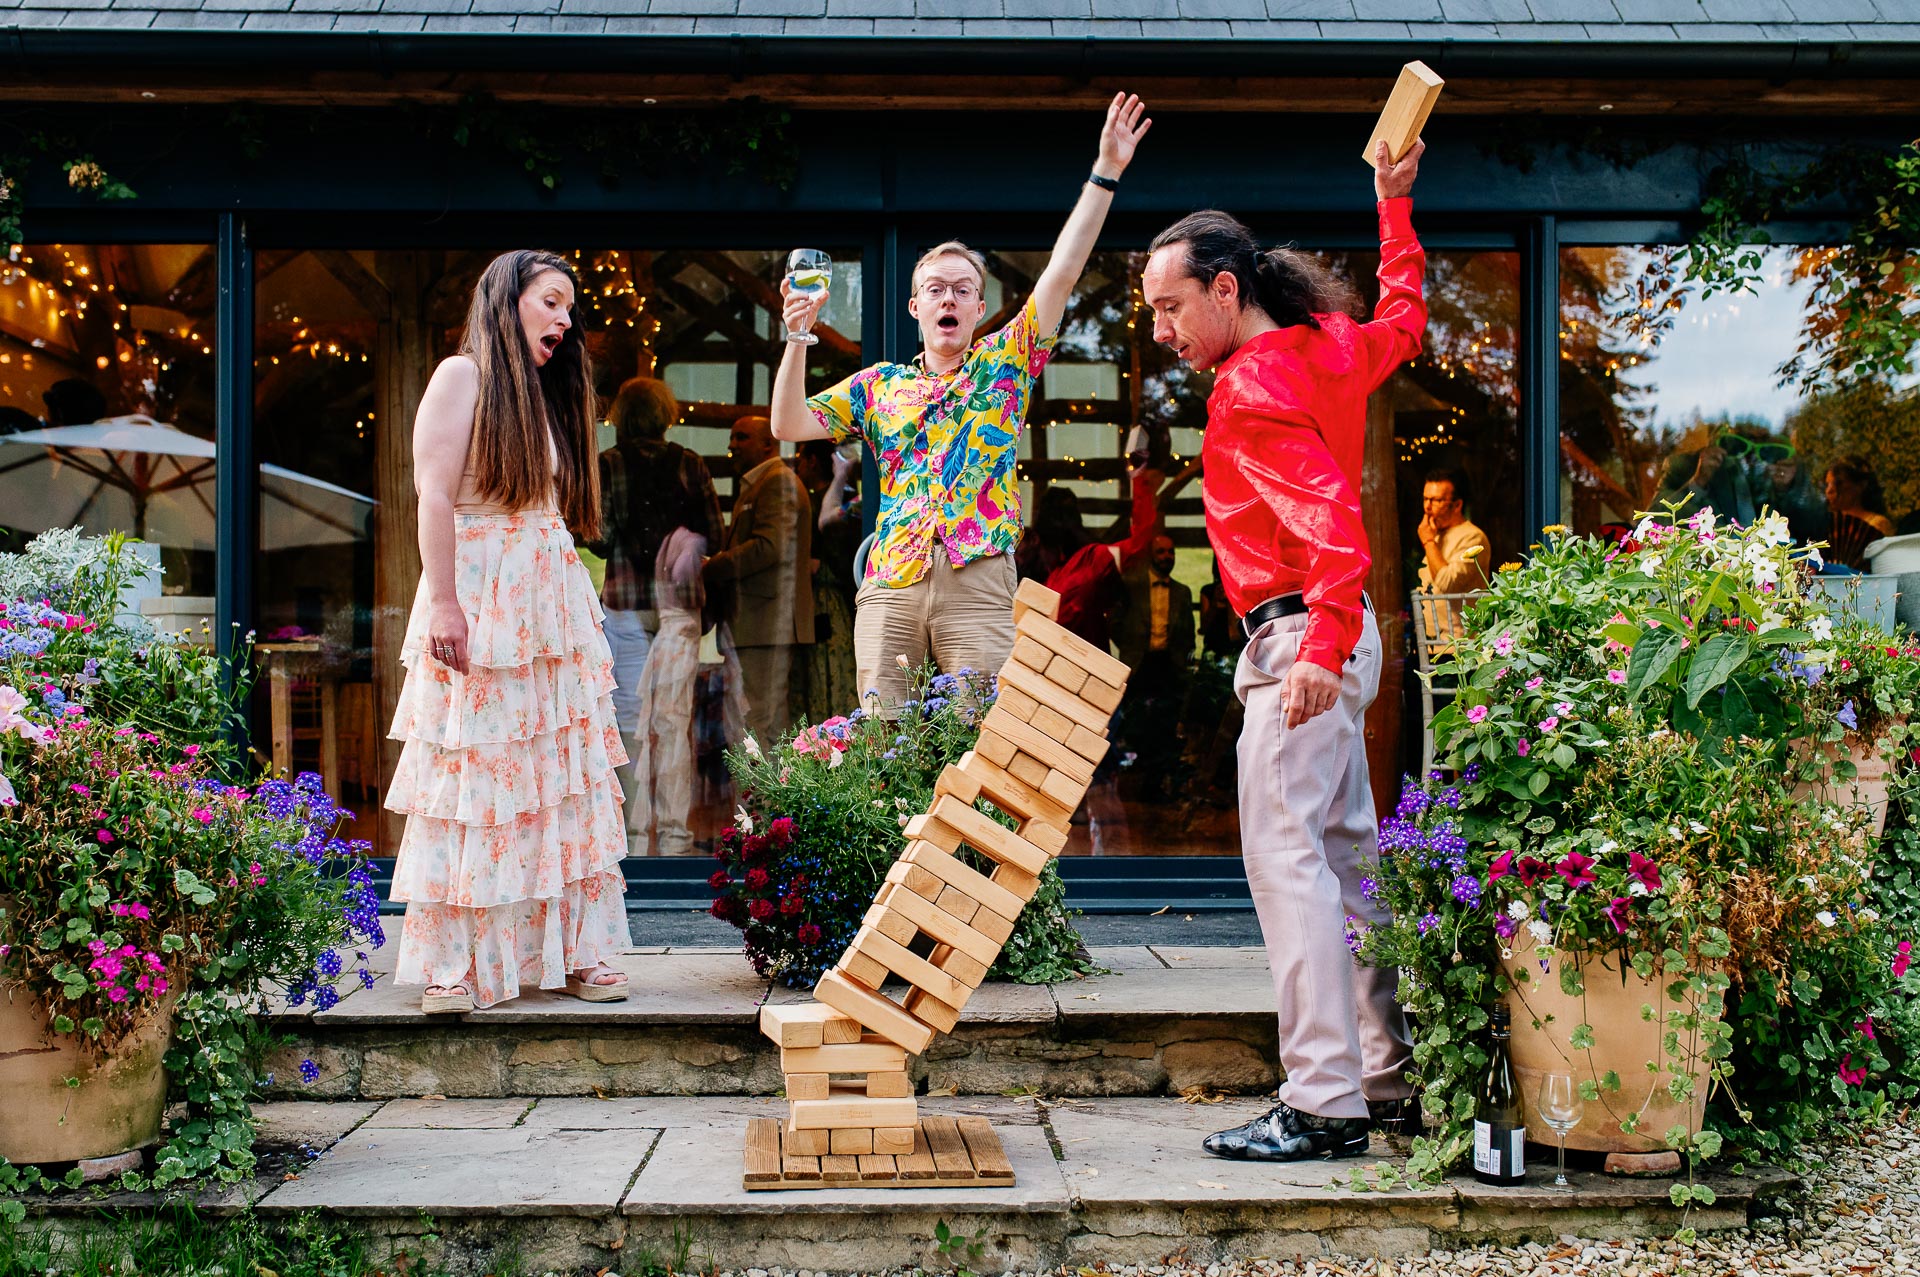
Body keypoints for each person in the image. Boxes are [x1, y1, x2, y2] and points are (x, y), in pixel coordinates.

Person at [1143, 137, 1427, 1161]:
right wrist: (1393, 203)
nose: (1161, 330)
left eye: (1171, 307)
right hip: (1340, 637)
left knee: (1287, 864)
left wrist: (1320, 647)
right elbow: (1406, 319)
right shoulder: (1330, 346)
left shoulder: (1250, 384)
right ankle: (1382, 1076)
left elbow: (1335, 525)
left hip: (1304, 639)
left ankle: (1321, 1099)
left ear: (1225, 289)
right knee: (1347, 863)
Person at [768, 93, 1153, 711]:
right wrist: (797, 337)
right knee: (883, 738)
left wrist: (1105, 172)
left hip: (978, 578)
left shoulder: (1006, 363)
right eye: (935, 289)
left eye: (962, 289)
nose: (948, 297)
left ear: (978, 306)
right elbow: (787, 422)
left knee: (978, 734)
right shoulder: (878, 386)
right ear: (915, 306)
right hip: (892, 581)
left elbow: (1062, 271)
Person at [387, 249, 630, 1013]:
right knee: (476, 779)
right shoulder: (461, 376)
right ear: (507, 299)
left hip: (548, 604)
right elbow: (433, 495)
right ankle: (453, 965)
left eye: (570, 307)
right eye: (551, 300)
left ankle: (576, 951)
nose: (565, 318)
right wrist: (445, 603)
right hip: (483, 593)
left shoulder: (541, 391)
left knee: (555, 778)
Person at [586, 376, 724, 852]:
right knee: (673, 723)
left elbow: (599, 538)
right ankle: (674, 838)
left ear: (621, 416)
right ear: (665, 415)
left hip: (625, 603)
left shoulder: (607, 465)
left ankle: (632, 835)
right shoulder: (690, 462)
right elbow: (714, 533)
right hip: (677, 606)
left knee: (629, 721)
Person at [626, 487, 745, 857]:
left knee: (666, 733)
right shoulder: (692, 542)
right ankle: (676, 832)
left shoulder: (668, 539)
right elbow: (685, 583)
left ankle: (663, 829)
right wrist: (704, 591)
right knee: (677, 734)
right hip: (682, 640)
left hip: (668, 638)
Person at [703, 414, 812, 748]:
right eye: (732, 437)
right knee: (760, 718)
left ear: (768, 444)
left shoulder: (777, 482)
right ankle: (766, 783)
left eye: (742, 437)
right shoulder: (763, 482)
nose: (732, 445)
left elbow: (770, 547)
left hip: (766, 622)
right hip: (758, 623)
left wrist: (713, 566)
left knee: (757, 719)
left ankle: (763, 785)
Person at [792, 440, 861, 725]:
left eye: (801, 459)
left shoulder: (842, 501)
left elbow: (826, 524)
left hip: (829, 601)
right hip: (833, 598)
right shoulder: (847, 498)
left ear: (812, 461)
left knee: (830, 671)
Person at [1414, 467, 1489, 642]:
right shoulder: (1435, 534)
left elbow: (1447, 583)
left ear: (1457, 505)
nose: (1427, 507)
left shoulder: (1473, 537)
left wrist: (1428, 542)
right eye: (1425, 499)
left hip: (1459, 644)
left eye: (1436, 500)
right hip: (1429, 641)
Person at [1115, 533, 1196, 679]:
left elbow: (1188, 633)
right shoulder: (1131, 586)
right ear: (1150, 555)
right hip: (1137, 664)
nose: (1167, 556)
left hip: (1170, 667)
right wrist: (1129, 647)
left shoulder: (1182, 592)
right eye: (1161, 551)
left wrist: (1182, 660)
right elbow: (1114, 623)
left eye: (1171, 552)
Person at [1824, 454, 1896, 570]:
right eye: (1827, 484)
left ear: (1861, 485)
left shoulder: (1878, 523)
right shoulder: (1823, 523)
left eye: (1838, 483)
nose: (1829, 490)